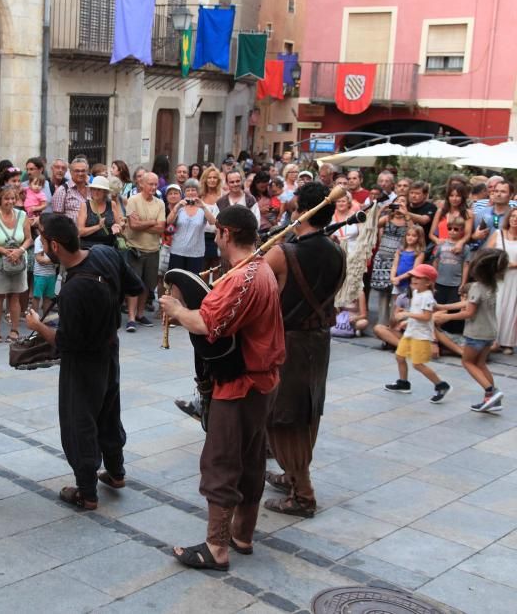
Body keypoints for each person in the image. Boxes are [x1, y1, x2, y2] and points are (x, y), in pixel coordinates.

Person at [159, 205, 285, 571]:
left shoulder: (242, 278)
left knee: (222, 463)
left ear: (227, 233)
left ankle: (217, 547)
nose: (216, 237)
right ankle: (242, 534)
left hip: (241, 384)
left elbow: (206, 322)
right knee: (249, 461)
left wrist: (177, 309)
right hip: (262, 380)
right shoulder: (259, 270)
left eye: (218, 232)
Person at [26, 214, 143, 509]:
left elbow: (64, 343)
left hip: (83, 363)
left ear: (55, 245)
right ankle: (116, 473)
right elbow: (136, 287)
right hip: (109, 350)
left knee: (80, 421)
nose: (40, 243)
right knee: (108, 411)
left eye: (41, 238)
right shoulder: (105, 253)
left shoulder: (74, 291)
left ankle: (86, 492)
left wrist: (38, 326)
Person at [261, 182, 345, 519]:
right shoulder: (338, 249)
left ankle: (303, 493)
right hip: (319, 342)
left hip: (290, 343)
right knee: (305, 411)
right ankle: (292, 474)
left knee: (284, 417)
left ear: (303, 211)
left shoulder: (283, 253)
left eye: (295, 207)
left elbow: (254, 286)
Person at [433, 249, 507, 412]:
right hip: (490, 332)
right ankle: (492, 400)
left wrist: (447, 317)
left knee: (467, 362)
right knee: (480, 364)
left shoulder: (475, 287)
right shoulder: (491, 285)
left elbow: (469, 312)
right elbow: (468, 305)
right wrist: (443, 306)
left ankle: (491, 391)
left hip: (476, 333)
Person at [384, 264, 453, 399]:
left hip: (420, 336)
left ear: (428, 282)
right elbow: (417, 313)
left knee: (418, 364)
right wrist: (408, 320)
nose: (414, 279)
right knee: (399, 356)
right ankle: (403, 383)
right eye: (413, 276)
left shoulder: (427, 297)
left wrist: (407, 315)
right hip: (411, 332)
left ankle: (441, 385)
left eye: (419, 277)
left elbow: (427, 317)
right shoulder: (416, 292)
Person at [0, 185, 31, 343]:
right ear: (0, 200)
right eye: (6, 198)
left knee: (15, 296)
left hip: (17, 261)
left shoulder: (22, 215)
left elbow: (28, 238)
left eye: (13, 198)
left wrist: (20, 250)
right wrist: (5, 251)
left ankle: (14, 330)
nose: (10, 201)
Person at [124, 171, 165, 332]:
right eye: (150, 184)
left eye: (156, 184)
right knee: (134, 284)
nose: (154, 187)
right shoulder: (133, 201)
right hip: (136, 249)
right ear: (142, 184)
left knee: (147, 285)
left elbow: (161, 228)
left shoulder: (160, 203)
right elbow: (133, 226)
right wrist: (152, 222)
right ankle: (132, 318)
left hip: (153, 250)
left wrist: (143, 223)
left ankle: (140, 314)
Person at [371, 196, 410, 326]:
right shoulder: (387, 218)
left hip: (399, 259)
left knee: (397, 294)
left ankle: (394, 326)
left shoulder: (408, 220)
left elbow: (414, 232)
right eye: (397, 201)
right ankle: (382, 324)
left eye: (403, 201)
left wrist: (407, 215)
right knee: (383, 295)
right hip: (383, 258)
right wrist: (382, 209)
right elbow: (371, 225)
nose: (399, 204)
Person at [168, 178, 216, 274]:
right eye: (188, 190)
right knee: (176, 282)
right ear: (184, 193)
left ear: (198, 192)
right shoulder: (180, 207)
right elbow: (169, 221)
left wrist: (203, 207)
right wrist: (176, 207)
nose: (190, 192)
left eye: (193, 190)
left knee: (192, 283)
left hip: (196, 253)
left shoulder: (203, 207)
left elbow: (212, 222)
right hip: (177, 251)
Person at [432, 217, 471, 334]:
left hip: (455, 283)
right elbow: (436, 261)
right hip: (439, 282)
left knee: (451, 309)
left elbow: (466, 266)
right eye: (450, 228)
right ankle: (436, 332)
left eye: (456, 229)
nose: (452, 231)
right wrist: (433, 279)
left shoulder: (465, 248)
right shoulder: (441, 244)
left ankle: (450, 334)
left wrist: (463, 283)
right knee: (438, 306)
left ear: (462, 231)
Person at [488, 208, 517, 354]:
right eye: (512, 216)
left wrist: (513, 265)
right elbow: (487, 254)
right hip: (499, 276)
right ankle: (493, 339)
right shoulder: (498, 234)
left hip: (515, 277)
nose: (514, 219)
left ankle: (508, 342)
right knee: (497, 306)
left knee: (512, 308)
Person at [76, 175, 123, 249]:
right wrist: (98, 227)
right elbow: (80, 231)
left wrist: (117, 227)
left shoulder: (111, 204)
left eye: (99, 190)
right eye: (93, 189)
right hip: (89, 249)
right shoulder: (85, 206)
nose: (96, 192)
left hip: (109, 247)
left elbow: (120, 226)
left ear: (105, 192)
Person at [390, 224, 426, 297]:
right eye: (408, 235)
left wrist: (399, 278)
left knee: (406, 304)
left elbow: (414, 271)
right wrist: (392, 278)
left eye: (414, 236)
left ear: (419, 238)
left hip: (409, 284)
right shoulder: (400, 250)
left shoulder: (419, 253)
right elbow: (394, 266)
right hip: (397, 282)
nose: (410, 237)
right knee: (396, 304)